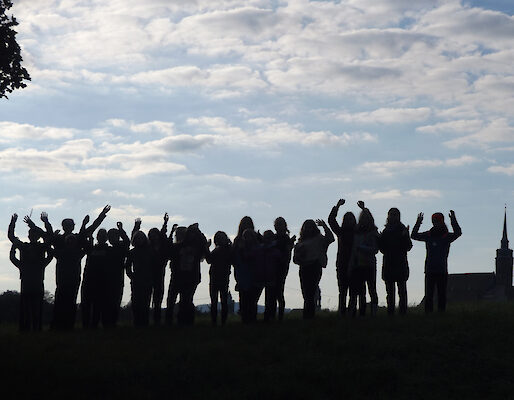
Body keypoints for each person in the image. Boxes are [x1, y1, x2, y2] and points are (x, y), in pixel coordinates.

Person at [8, 213, 53, 331]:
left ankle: (35, 329)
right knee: (26, 309)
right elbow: (11, 237)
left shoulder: (40, 247)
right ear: (28, 235)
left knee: (36, 308)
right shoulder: (27, 246)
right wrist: (13, 223)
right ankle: (26, 330)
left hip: (36, 282)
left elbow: (49, 237)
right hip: (28, 282)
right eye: (31, 234)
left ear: (37, 236)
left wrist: (45, 222)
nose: (32, 236)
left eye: (34, 234)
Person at [411, 210, 462, 313]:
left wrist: (453, 220)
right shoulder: (430, 235)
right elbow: (413, 235)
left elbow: (458, 233)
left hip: (441, 270)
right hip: (430, 269)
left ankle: (441, 314)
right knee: (429, 295)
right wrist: (418, 222)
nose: (436, 223)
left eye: (437, 221)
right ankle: (429, 315)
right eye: (434, 221)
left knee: (441, 294)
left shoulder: (445, 236)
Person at [293, 219, 334, 319]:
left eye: (310, 226)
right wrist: (300, 257)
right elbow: (295, 259)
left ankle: (309, 316)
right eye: (307, 227)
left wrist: (324, 226)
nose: (308, 229)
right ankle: (308, 315)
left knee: (310, 292)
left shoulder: (319, 239)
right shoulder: (300, 242)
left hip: (315, 266)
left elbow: (330, 238)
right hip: (304, 267)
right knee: (306, 293)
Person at [378, 208, 412, 315]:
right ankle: (392, 313)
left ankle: (400, 313)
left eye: (394, 215)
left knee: (400, 291)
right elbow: (382, 249)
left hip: (398, 264)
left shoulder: (399, 230)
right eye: (391, 215)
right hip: (391, 264)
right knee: (392, 292)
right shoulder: (387, 231)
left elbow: (408, 246)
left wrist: (405, 236)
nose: (392, 217)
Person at [347, 201, 379, 317]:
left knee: (371, 289)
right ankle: (361, 313)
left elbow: (375, 249)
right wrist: (351, 266)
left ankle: (374, 313)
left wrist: (362, 248)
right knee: (360, 292)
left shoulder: (373, 232)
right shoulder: (356, 233)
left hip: (369, 265)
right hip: (358, 265)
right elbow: (353, 252)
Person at [328, 199, 356, 316]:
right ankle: (343, 312)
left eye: (351, 219)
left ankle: (351, 312)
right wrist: (337, 206)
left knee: (353, 291)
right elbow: (331, 220)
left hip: (354, 264)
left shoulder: (356, 232)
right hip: (342, 263)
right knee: (343, 290)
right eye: (347, 219)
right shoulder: (341, 231)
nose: (349, 221)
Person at [81, 229, 110, 328]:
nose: (101, 237)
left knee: (98, 305)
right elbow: (84, 241)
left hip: (101, 281)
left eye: (103, 236)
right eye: (100, 236)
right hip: (89, 279)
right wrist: (90, 238)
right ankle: (86, 325)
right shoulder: (91, 248)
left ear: (106, 238)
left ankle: (94, 325)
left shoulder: (109, 250)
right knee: (86, 304)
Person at [125, 229, 152, 327]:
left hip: (147, 280)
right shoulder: (132, 252)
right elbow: (127, 266)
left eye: (141, 238)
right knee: (136, 302)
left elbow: (154, 265)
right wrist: (131, 276)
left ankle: (144, 323)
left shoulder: (149, 251)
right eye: (138, 238)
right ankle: (136, 322)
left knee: (145, 302)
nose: (140, 240)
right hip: (136, 280)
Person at [205, 231, 233, 326]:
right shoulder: (228, 249)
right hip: (221, 277)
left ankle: (215, 322)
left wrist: (207, 248)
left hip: (216, 277)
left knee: (216, 301)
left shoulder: (218, 250)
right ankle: (221, 322)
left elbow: (209, 260)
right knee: (222, 300)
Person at [147, 213, 170, 325]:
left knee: (158, 299)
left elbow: (163, 233)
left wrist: (165, 223)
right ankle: (147, 320)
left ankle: (157, 320)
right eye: (152, 235)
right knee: (148, 298)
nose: (155, 236)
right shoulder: (148, 247)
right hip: (149, 274)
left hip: (160, 274)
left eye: (156, 234)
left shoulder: (162, 246)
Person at [105, 222, 130, 327]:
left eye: (114, 236)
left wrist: (121, 230)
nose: (112, 238)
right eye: (110, 237)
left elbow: (127, 241)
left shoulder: (121, 247)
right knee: (108, 300)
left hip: (118, 277)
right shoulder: (107, 249)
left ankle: (112, 322)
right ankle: (107, 321)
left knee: (116, 300)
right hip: (106, 278)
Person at [273, 217, 295, 321]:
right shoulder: (281, 238)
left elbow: (287, 253)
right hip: (275, 267)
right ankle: (277, 315)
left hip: (280, 267)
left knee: (278, 291)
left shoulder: (284, 238)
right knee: (276, 292)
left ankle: (279, 315)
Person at [262, 230, 282, 322]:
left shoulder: (273, 250)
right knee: (270, 297)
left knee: (272, 297)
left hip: (273, 275)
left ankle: (271, 316)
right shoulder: (268, 249)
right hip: (267, 275)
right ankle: (270, 316)